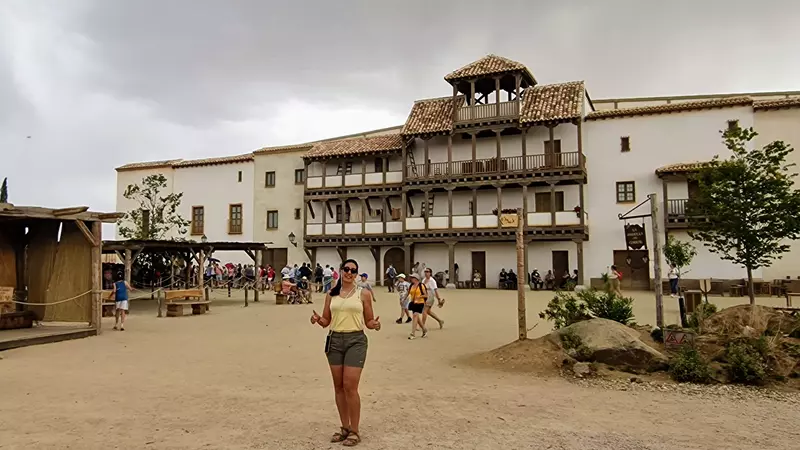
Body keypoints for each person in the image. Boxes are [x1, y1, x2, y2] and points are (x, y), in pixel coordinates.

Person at [310, 259, 380, 447]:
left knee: (350, 386)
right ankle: (345, 427)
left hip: (355, 340)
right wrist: (317, 319)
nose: (349, 273)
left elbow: (369, 321)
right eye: (346, 269)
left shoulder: (363, 294)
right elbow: (326, 320)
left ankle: (355, 430)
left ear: (357, 274)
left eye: (353, 270)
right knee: (339, 386)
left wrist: (375, 324)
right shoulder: (331, 294)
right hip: (334, 340)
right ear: (341, 271)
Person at [407, 273, 428, 339]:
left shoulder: (421, 286)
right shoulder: (411, 286)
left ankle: (413, 333)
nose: (411, 279)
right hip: (413, 303)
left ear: (416, 279)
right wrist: (404, 299)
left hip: (420, 303)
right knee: (417, 318)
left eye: (412, 278)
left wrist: (419, 296)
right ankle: (424, 329)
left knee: (415, 315)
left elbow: (426, 295)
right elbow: (408, 293)